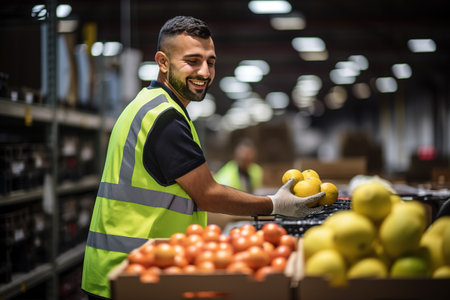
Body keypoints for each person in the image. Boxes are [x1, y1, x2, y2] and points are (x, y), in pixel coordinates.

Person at [81, 16, 324, 299]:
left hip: (126, 266)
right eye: (193, 61)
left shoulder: (147, 105)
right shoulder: (165, 118)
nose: (205, 72)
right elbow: (207, 194)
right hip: (133, 268)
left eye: (210, 62)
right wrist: (275, 204)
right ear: (163, 62)